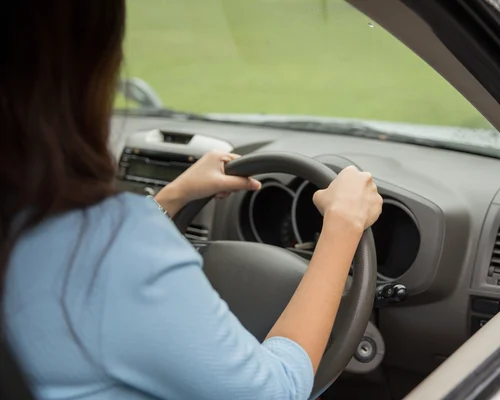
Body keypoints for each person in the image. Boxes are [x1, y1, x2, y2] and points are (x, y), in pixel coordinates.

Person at [0, 1, 382, 399]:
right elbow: (278, 390)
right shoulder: (111, 248)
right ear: (87, 74)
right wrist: (342, 226)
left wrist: (171, 197)